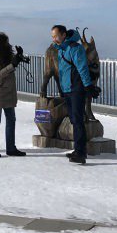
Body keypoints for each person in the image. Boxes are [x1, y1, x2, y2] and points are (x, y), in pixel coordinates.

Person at [48, 25, 97, 164]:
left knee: (77, 120)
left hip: (76, 89)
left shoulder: (75, 48)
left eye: (56, 36)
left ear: (63, 35)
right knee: (74, 120)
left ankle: (81, 153)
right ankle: (78, 149)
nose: (54, 39)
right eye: (52, 36)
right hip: (68, 89)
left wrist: (88, 86)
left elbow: (82, 68)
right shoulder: (62, 49)